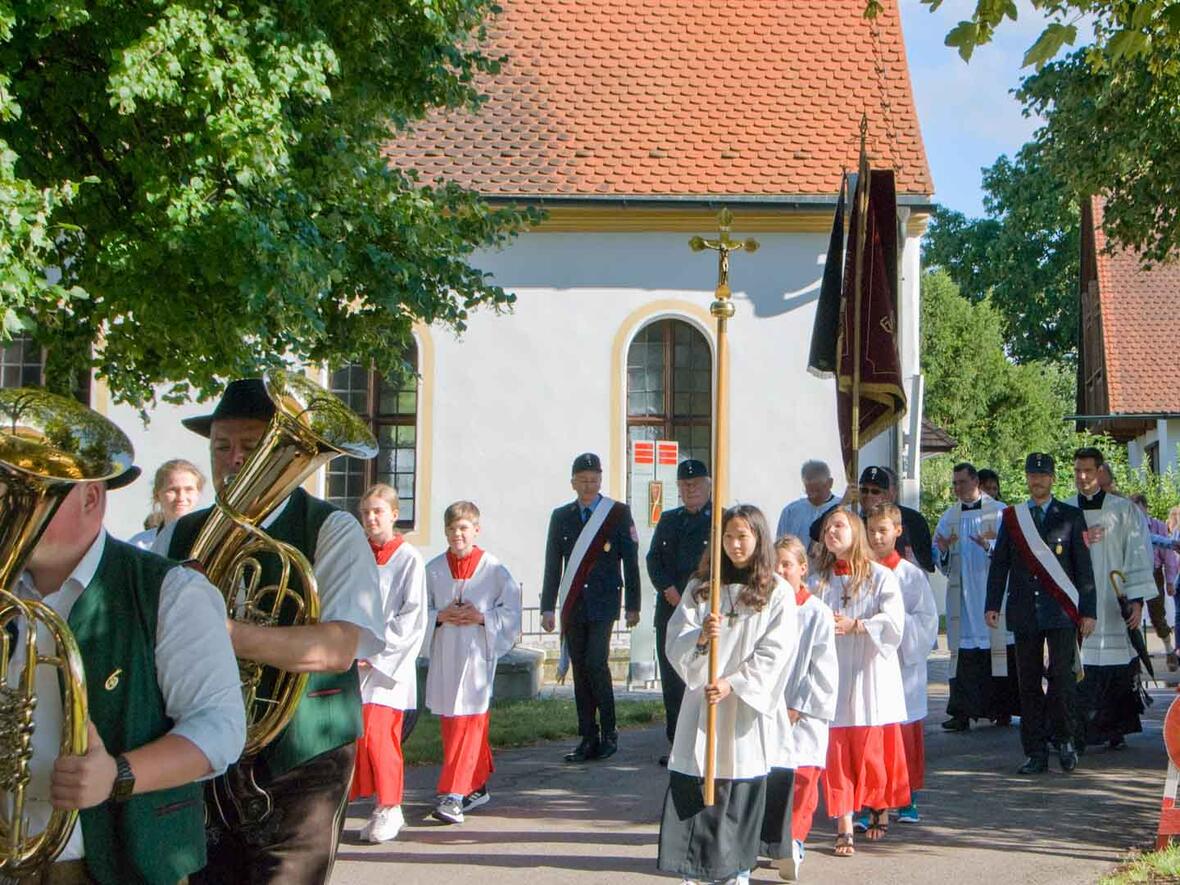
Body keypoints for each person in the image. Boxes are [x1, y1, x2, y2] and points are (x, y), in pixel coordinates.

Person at [5, 397, 245, 884]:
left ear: (92, 498)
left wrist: (118, 774)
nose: (7, 505)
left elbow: (220, 730)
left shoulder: (172, 591)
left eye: (30, 491)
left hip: (117, 862)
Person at [157, 378, 386, 885]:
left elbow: (340, 646)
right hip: (203, 755)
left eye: (251, 445)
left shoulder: (331, 528)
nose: (234, 458)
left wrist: (223, 634)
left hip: (303, 756)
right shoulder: (178, 534)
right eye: (221, 446)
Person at [657, 505, 796, 885]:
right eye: (729, 537)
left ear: (758, 539)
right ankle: (695, 868)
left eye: (743, 537)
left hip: (743, 709)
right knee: (698, 783)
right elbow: (675, 641)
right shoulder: (702, 587)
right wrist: (701, 637)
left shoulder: (776, 592)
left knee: (738, 788)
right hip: (702, 702)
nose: (736, 545)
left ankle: (735, 867)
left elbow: (776, 650)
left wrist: (734, 682)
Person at [985, 452, 1097, 774]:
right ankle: (1035, 752)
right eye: (1033, 475)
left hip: (1060, 611)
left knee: (1063, 680)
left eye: (1043, 475)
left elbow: (1083, 568)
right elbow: (1000, 564)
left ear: (1052, 478)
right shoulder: (1013, 518)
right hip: (1024, 611)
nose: (1038, 480)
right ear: (1026, 478)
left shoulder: (1071, 516)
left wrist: (1087, 611)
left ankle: (1065, 741)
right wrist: (992, 604)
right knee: (1029, 684)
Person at [813, 508, 909, 857]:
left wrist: (858, 625)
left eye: (838, 525)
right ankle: (843, 825)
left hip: (869, 669)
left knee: (870, 749)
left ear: (855, 531)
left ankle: (878, 804)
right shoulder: (818, 579)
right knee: (836, 749)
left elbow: (894, 621)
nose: (831, 532)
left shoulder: (880, 576)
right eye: (827, 528)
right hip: (834, 671)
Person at [424, 501, 521, 824]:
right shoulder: (434, 569)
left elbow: (511, 613)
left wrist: (482, 617)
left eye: (463, 528)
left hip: (476, 656)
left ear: (476, 530)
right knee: (453, 722)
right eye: (451, 529)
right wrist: (439, 616)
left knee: (471, 721)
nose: (457, 535)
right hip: (445, 654)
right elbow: (416, 611)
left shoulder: (493, 569)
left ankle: (453, 795)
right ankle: (476, 787)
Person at [541, 452, 641, 763]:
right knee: (580, 669)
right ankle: (588, 735)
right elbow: (552, 564)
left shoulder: (617, 514)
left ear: (600, 481)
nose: (589, 486)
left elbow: (631, 562)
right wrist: (547, 606)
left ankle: (609, 732)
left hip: (604, 601)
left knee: (597, 662)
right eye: (583, 481)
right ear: (573, 483)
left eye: (594, 480)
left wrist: (633, 604)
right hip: (574, 603)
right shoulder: (561, 516)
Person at [350, 484, 427, 843]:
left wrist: (376, 653)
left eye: (378, 511)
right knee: (361, 738)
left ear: (394, 514)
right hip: (357, 660)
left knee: (382, 738)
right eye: (366, 512)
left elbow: (411, 616)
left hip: (387, 668)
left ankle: (391, 807)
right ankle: (376, 806)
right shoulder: (357, 555)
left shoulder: (407, 557)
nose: (370, 518)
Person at [1067, 447, 1157, 751]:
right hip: (1080, 606)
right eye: (1078, 471)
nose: (1082, 477)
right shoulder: (1065, 511)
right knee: (1081, 666)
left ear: (1100, 472)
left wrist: (1137, 600)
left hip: (1113, 601)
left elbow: (1138, 554)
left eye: (1088, 471)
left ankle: (1116, 728)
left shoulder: (1123, 511)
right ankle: (1079, 732)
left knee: (1118, 663)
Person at [761, 535, 837, 882]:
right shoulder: (763, 609)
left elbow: (822, 666)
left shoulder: (817, 613)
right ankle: (766, 841)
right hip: (767, 710)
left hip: (803, 714)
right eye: (774, 566)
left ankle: (794, 841)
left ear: (802, 569)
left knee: (804, 779)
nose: (780, 572)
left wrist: (798, 705)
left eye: (787, 565)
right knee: (771, 779)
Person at [864, 503, 937, 825]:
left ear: (897, 530)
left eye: (883, 530)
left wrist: (895, 621)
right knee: (871, 734)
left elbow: (927, 620)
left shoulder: (911, 575)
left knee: (905, 734)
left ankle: (908, 797)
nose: (877, 537)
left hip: (902, 662)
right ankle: (871, 801)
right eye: (871, 531)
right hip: (869, 661)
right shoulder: (861, 572)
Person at [933, 462, 1019, 732]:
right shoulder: (949, 517)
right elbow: (939, 555)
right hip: (963, 596)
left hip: (993, 594)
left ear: (976, 483)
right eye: (955, 483)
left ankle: (1002, 709)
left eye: (962, 482)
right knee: (965, 653)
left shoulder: (1001, 513)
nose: (957, 488)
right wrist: (944, 551)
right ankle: (962, 712)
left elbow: (1013, 553)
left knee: (999, 651)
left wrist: (990, 546)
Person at [646, 458, 712, 766]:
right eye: (685, 486)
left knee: (701, 677)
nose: (691, 490)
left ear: (708, 485)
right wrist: (667, 589)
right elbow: (653, 559)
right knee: (673, 679)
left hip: (708, 610)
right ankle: (677, 743)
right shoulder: (669, 520)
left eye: (696, 484)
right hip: (672, 608)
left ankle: (704, 742)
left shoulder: (720, 520)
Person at [808, 466, 934, 572]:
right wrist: (842, 503)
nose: (868, 495)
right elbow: (816, 532)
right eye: (864, 490)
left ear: (887, 495)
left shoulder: (911, 519)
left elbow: (925, 562)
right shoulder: (854, 522)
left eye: (875, 491)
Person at [1131, 493, 1177, 656]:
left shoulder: (1158, 526)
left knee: (1157, 615)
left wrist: (1170, 581)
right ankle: (1136, 656)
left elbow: (1168, 557)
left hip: (1154, 573)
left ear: (1145, 508)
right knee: (1131, 614)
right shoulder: (1128, 528)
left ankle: (1168, 648)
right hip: (1133, 573)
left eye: (1139, 510)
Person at [127, 458, 205, 549]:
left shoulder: (209, 539)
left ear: (198, 493)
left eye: (189, 489)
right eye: (172, 490)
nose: (181, 497)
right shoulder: (139, 545)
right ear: (157, 495)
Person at [775, 460, 841, 543]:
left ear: (829, 483)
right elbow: (781, 546)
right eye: (809, 490)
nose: (813, 496)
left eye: (817, 490)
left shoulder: (844, 508)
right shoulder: (790, 512)